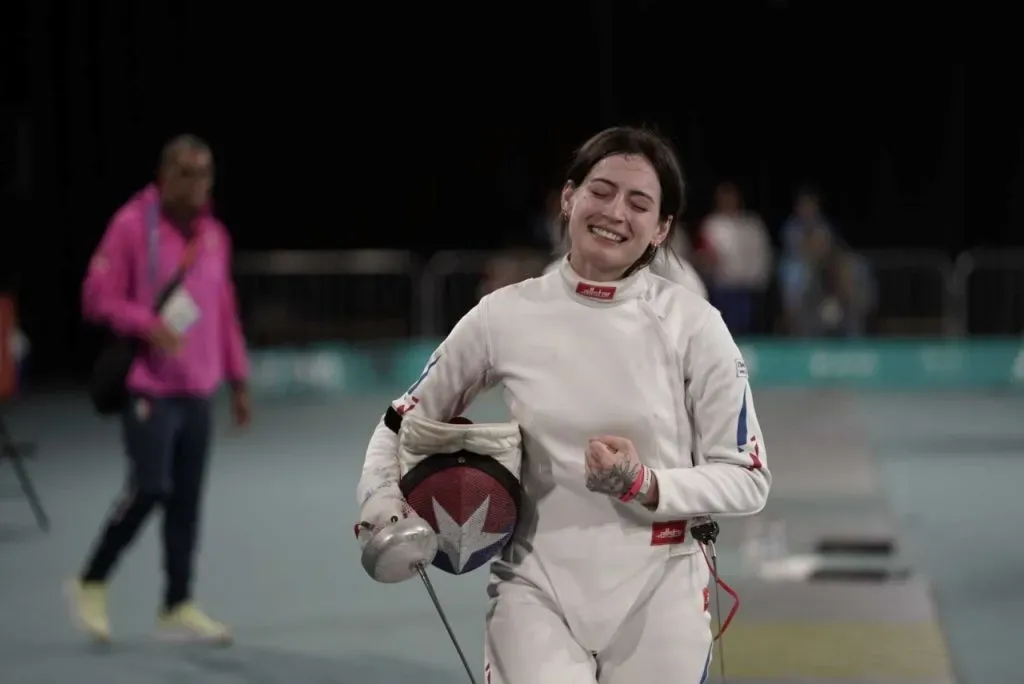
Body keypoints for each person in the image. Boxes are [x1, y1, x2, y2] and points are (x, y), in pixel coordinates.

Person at [356, 126, 771, 682]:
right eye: (601, 191)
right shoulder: (503, 316)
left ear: (661, 228)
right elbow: (399, 421)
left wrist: (646, 484)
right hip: (536, 587)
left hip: (662, 587)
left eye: (639, 202)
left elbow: (748, 477)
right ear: (569, 197)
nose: (615, 212)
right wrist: (379, 500)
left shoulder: (696, 325)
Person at [69, 134, 251, 644]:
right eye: (188, 173)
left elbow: (224, 312)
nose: (198, 184)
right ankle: (91, 580)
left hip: (198, 388)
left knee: (187, 501)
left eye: (206, 173)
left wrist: (238, 380)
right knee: (151, 487)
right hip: (149, 384)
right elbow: (95, 297)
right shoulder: (132, 225)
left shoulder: (214, 235)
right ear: (164, 176)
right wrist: (145, 323)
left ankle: (177, 604)